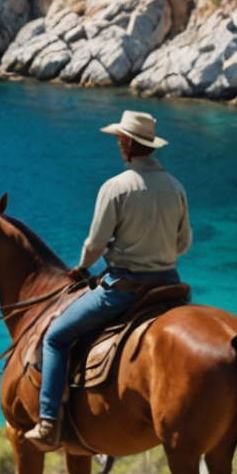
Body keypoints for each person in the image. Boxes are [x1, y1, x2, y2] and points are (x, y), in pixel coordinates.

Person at [24, 109, 192, 450]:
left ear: (128, 143)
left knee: (55, 337)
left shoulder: (116, 187)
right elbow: (184, 243)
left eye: (119, 139)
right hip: (169, 286)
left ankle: (49, 422)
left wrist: (82, 267)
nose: (118, 144)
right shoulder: (176, 188)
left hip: (126, 289)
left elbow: (95, 244)